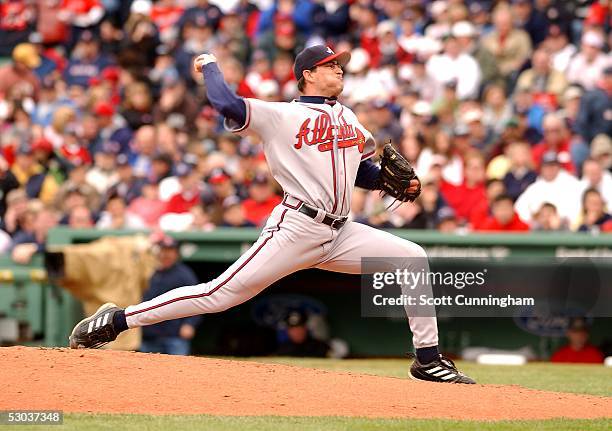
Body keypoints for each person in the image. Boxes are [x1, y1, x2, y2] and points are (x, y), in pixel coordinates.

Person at [69, 45, 475, 384]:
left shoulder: (348, 117)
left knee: (412, 258)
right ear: (308, 75)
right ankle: (118, 320)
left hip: (342, 232)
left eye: (340, 65)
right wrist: (210, 64)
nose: (339, 70)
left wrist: (391, 184)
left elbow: (362, 171)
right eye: (331, 65)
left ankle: (428, 359)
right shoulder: (281, 114)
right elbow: (225, 102)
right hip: (296, 226)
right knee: (218, 295)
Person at [139, 235, 201, 355]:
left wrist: (189, 324)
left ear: (176, 253)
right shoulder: (148, 271)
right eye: (163, 250)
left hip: (174, 335)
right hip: (149, 334)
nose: (166, 254)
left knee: (176, 371)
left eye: (170, 251)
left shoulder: (184, 274)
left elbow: (197, 300)